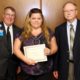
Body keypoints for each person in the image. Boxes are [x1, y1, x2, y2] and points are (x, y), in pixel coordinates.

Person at [13, 8, 58, 80]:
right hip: (27, 71)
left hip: (45, 71)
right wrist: (25, 59)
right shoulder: (22, 32)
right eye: (33, 18)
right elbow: (15, 49)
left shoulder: (48, 31)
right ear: (29, 19)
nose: (36, 20)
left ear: (42, 19)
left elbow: (55, 47)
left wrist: (50, 51)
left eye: (39, 18)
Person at [54, 1, 80, 80]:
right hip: (64, 67)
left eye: (71, 10)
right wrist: (55, 68)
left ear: (76, 12)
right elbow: (57, 50)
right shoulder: (59, 29)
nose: (68, 13)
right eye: (66, 11)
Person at [0, 6, 22, 80]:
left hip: (13, 67)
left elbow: (20, 49)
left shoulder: (19, 30)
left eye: (12, 15)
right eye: (8, 14)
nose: (10, 17)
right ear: (3, 15)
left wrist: (19, 65)